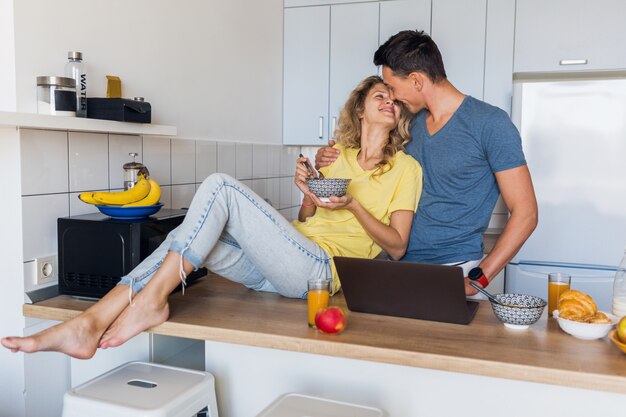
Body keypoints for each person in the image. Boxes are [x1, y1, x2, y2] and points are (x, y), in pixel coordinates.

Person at [1, 76, 422, 358]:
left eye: (394, 99)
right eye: (379, 96)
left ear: (399, 116)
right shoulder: (334, 157)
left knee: (220, 186)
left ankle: (149, 301)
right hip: (276, 268)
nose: (389, 102)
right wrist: (307, 192)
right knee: (188, 230)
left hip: (320, 275)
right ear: (361, 111)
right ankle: (89, 321)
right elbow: (307, 218)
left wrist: (353, 206)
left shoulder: (407, 169)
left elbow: (397, 247)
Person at [316, 30, 538, 296]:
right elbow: (367, 158)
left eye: (394, 87)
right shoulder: (409, 125)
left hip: (454, 269)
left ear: (416, 81)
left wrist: (480, 278)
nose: (393, 97)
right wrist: (327, 158)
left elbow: (526, 213)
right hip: (397, 266)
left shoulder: (490, 124)